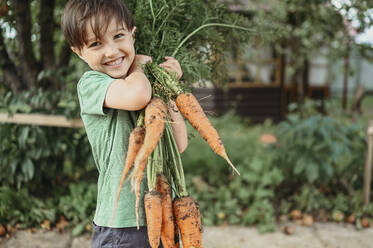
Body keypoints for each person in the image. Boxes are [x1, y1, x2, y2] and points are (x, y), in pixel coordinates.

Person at [61, 0, 188, 247]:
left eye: (118, 36)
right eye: (96, 43)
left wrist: (171, 91)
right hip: (121, 224)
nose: (111, 51)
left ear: (132, 34)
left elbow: (180, 144)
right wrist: (139, 66)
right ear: (78, 51)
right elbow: (137, 95)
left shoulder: (147, 84)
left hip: (162, 215)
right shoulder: (91, 84)